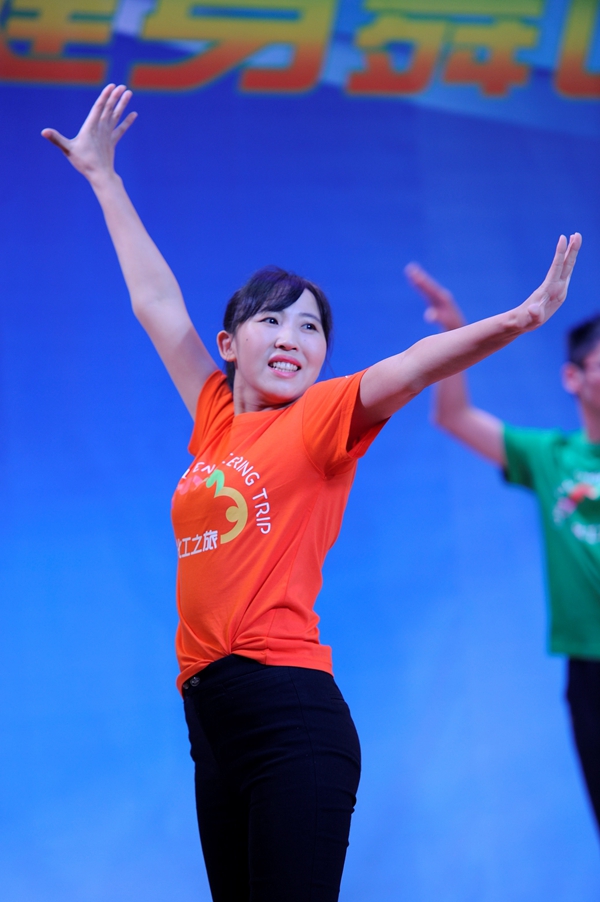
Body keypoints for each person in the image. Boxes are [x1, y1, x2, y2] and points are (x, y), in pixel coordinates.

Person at [42, 83, 581, 902]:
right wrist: (103, 177)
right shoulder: (214, 417)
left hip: (289, 714)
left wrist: (521, 318)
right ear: (229, 343)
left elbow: (411, 367)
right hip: (210, 723)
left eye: (312, 327)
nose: (293, 337)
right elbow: (156, 304)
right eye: (272, 320)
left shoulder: (321, 419)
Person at [406, 261, 600, 835]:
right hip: (588, 669)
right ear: (573, 378)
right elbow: (454, 416)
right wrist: (453, 335)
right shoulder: (550, 457)